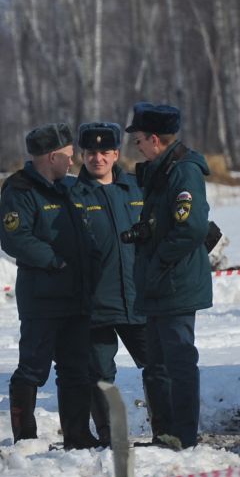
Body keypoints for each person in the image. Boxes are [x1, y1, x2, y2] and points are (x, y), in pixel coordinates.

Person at [0, 123, 96, 448]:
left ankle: (78, 435)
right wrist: (54, 260)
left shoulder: (70, 187)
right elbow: (15, 238)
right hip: (43, 298)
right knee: (32, 368)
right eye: (67, 156)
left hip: (76, 297)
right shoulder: (20, 189)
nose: (72, 162)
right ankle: (25, 438)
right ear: (51, 157)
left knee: (76, 369)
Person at [71, 119, 165, 444]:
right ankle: (111, 435)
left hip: (139, 298)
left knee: (157, 364)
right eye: (90, 152)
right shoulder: (71, 196)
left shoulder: (137, 188)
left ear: (115, 154)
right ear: (82, 155)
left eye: (104, 151)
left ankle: (166, 431)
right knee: (99, 375)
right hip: (95, 303)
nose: (97, 158)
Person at [125, 102, 211, 450]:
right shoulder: (161, 171)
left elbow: (191, 227)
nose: (138, 147)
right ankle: (164, 433)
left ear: (155, 139)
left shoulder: (182, 173)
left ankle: (183, 436)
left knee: (178, 361)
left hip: (175, 282)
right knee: (156, 364)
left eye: (140, 140)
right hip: (159, 283)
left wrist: (159, 259)